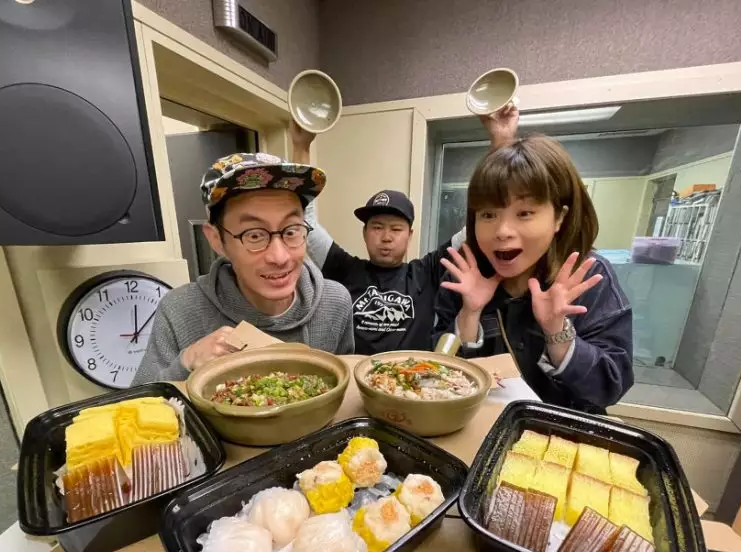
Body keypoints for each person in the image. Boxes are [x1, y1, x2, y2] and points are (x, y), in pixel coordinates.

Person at [290, 105, 518, 355]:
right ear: (365, 233)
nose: (386, 237)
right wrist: (301, 147)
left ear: (409, 235)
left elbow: (477, 224)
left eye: (396, 229)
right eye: (377, 227)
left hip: (412, 377)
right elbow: (305, 222)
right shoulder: (345, 269)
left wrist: (501, 142)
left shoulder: (427, 272)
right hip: (355, 375)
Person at [434, 135, 633, 413]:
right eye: (488, 215)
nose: (502, 231)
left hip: (557, 429)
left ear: (559, 217)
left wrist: (557, 332)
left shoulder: (586, 275)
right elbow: (437, 377)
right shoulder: (465, 274)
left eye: (524, 213)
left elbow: (610, 387)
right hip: (479, 423)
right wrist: (470, 314)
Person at [133, 153, 354, 383]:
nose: (280, 257)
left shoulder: (334, 303)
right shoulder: (180, 310)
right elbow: (135, 400)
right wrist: (186, 363)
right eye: (254, 235)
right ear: (217, 240)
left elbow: (345, 390)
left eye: (291, 231)